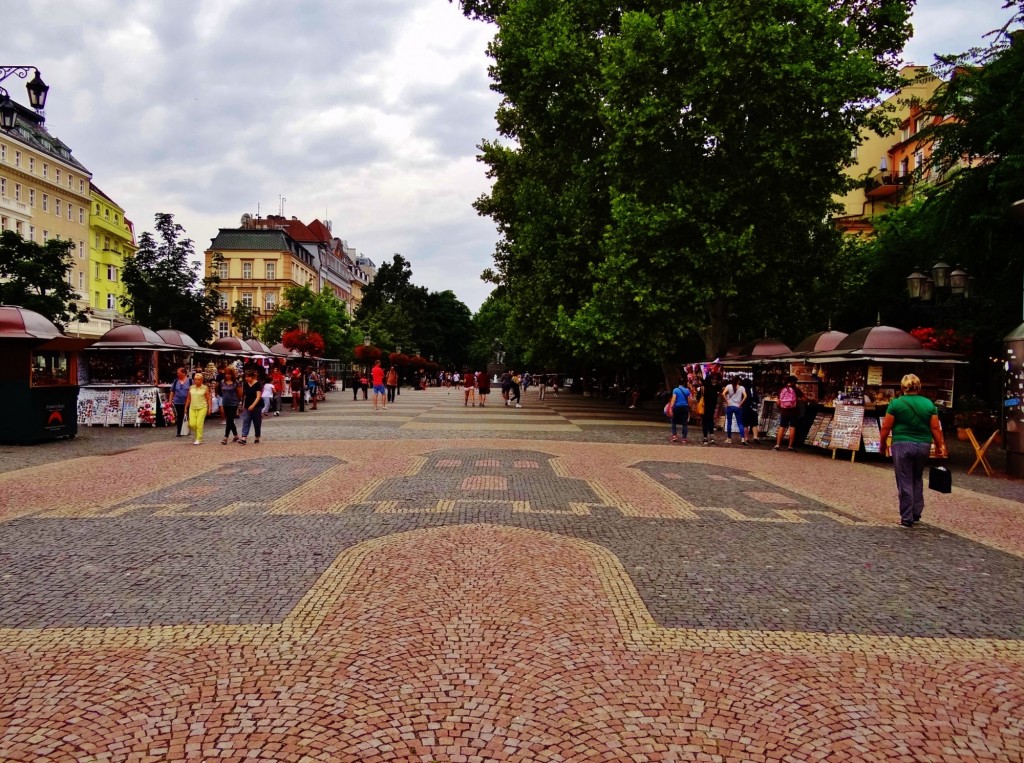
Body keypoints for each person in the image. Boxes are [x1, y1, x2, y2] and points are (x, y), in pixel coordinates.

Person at [878, 374, 948, 528]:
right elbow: (935, 428)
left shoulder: (896, 403)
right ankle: (916, 512)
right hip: (923, 444)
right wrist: (939, 446)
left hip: (902, 444)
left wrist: (882, 444)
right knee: (917, 477)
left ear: (903, 387)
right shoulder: (929, 404)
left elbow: (886, 427)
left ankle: (906, 517)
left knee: (904, 479)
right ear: (919, 387)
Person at [774, 376, 802, 452]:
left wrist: (782, 407)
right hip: (794, 411)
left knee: (782, 427)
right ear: (793, 382)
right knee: (792, 428)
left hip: (784, 411)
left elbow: (778, 402)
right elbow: (803, 398)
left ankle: (777, 445)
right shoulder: (796, 390)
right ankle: (790, 446)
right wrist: (811, 400)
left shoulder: (781, 390)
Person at [183, 372, 212, 446]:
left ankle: (198, 438)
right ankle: (197, 435)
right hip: (192, 407)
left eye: (198, 380)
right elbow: (188, 398)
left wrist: (209, 408)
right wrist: (186, 407)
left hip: (202, 407)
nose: (197, 381)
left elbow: (208, 399)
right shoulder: (191, 387)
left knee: (199, 423)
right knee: (192, 424)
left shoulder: (205, 388)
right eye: (195, 379)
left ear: (202, 380)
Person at [721, 375, 748, 445]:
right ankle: (742, 439)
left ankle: (729, 439)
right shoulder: (741, 388)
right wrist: (740, 403)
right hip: (738, 407)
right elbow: (745, 396)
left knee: (729, 422)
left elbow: (723, 393)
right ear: (738, 381)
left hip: (730, 406)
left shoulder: (728, 386)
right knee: (740, 423)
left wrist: (727, 402)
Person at [238, 369, 263, 445]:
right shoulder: (246, 384)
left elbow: (258, 397)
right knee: (246, 420)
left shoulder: (257, 384)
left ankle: (257, 436)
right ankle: (244, 437)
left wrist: (253, 405)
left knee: (257, 421)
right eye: (246, 377)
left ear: (252, 377)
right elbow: (244, 396)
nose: (246, 379)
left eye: (248, 377)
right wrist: (243, 405)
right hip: (247, 406)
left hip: (257, 406)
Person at [218, 366, 241, 445]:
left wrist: (238, 402)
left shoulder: (236, 382)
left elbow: (239, 394)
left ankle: (225, 437)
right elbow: (222, 391)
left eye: (229, 374)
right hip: (225, 403)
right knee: (230, 420)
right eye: (226, 374)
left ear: (232, 374)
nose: (228, 375)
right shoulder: (222, 382)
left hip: (233, 403)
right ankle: (236, 435)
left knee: (229, 420)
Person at [168, 367, 191, 437]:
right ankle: (179, 431)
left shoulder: (190, 381)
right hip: (177, 401)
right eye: (177, 373)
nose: (177, 374)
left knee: (188, 415)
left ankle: (187, 429)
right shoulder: (176, 381)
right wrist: (170, 400)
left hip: (187, 401)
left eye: (179, 373)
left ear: (184, 373)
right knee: (180, 416)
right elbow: (172, 391)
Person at [668, 379, 691, 443]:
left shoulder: (675, 390)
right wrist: (689, 408)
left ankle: (674, 436)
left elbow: (674, 399)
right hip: (685, 407)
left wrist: (671, 407)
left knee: (674, 421)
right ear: (684, 383)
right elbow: (689, 400)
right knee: (684, 423)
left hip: (677, 407)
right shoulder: (687, 390)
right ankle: (684, 438)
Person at [701, 371, 721, 446]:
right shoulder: (715, 388)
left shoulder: (703, 388)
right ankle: (712, 437)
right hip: (712, 407)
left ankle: (705, 437)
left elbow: (699, 397)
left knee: (705, 422)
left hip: (704, 407)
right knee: (711, 421)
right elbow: (720, 388)